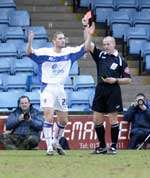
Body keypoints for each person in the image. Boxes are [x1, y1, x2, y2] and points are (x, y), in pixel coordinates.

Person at [26, 26, 92, 155]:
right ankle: (49, 146)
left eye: (64, 38)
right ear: (54, 41)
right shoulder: (45, 52)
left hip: (60, 88)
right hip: (48, 88)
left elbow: (86, 47)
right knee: (49, 117)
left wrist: (89, 34)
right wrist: (30, 41)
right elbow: (29, 52)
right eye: (60, 38)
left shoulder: (69, 52)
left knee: (64, 120)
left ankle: (56, 141)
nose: (63, 40)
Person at [84, 21, 132, 154]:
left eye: (108, 44)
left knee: (113, 119)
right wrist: (87, 31)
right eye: (104, 44)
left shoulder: (121, 60)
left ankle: (114, 146)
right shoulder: (100, 55)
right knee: (97, 120)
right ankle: (102, 146)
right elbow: (87, 46)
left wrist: (115, 80)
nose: (105, 46)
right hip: (100, 90)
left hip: (113, 91)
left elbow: (129, 80)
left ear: (114, 44)